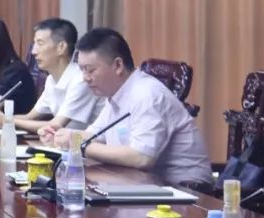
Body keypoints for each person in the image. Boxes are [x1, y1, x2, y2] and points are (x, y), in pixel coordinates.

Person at [40, 28, 211, 187]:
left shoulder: (147, 94)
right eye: (82, 70)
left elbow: (142, 157)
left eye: (90, 70)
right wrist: (63, 136)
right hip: (140, 184)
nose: (85, 78)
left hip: (185, 191)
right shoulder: (116, 93)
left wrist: (80, 145)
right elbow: (96, 135)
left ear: (118, 66)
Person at [0, 18, 101, 132]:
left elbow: (56, 125)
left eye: (40, 44)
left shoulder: (81, 80)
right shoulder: (51, 79)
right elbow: (29, 117)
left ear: (61, 48)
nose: (33, 51)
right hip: (66, 141)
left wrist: (6, 120)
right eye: (34, 44)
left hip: (87, 143)